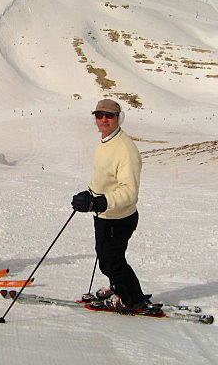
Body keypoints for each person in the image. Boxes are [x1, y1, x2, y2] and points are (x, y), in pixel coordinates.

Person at [71, 99, 152, 311]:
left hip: (119, 216)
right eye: (99, 115)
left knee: (111, 262)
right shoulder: (106, 141)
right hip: (104, 213)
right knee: (105, 254)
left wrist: (99, 202)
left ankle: (133, 300)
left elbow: (129, 191)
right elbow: (104, 177)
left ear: (119, 118)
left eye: (110, 115)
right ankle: (118, 287)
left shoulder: (125, 149)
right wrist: (89, 194)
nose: (104, 120)